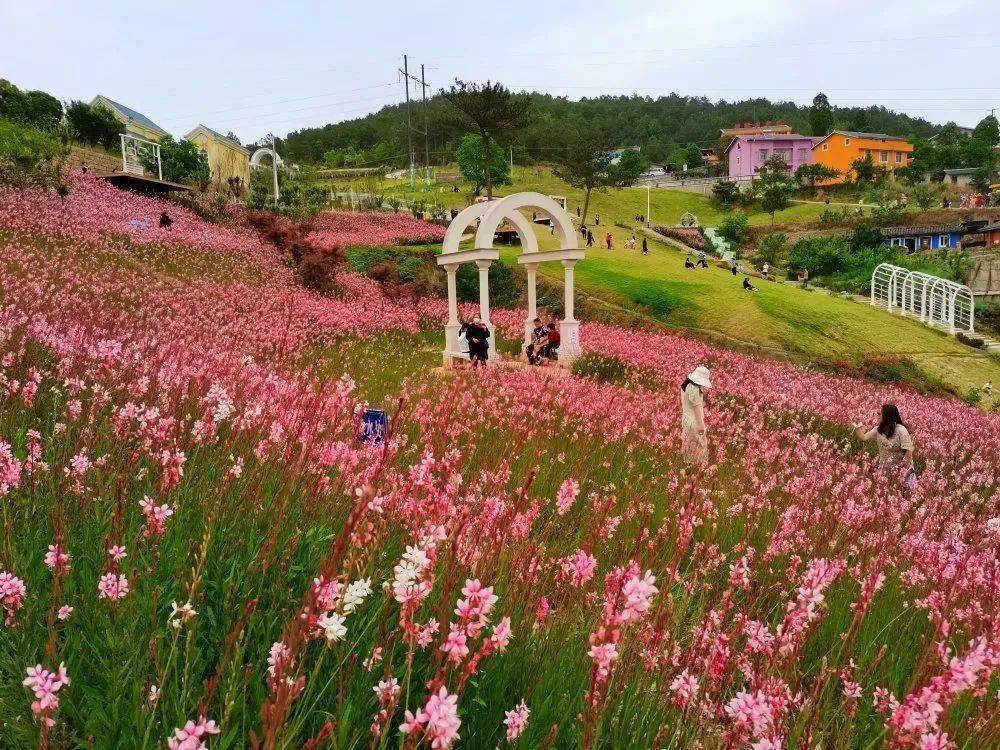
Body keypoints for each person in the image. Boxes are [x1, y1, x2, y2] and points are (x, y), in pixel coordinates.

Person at [855, 404, 915, 483]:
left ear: (887, 416)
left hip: (900, 469)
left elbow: (908, 451)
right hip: (884, 468)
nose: (877, 415)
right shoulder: (878, 429)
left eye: (880, 414)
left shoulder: (901, 430)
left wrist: (906, 472)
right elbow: (864, 437)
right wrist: (857, 428)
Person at [680, 366, 711, 464]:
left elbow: (685, 403)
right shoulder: (695, 389)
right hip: (694, 421)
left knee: (688, 442)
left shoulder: (685, 385)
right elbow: (697, 409)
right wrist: (701, 425)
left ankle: (687, 463)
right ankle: (698, 465)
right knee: (700, 444)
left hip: (686, 419)